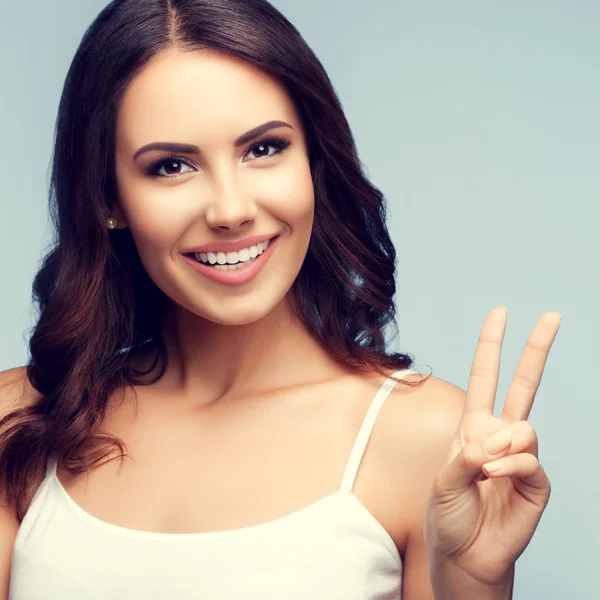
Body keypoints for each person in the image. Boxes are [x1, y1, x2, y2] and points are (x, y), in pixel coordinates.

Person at [0, 1, 561, 598]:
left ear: (314, 161)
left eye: (263, 149)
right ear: (108, 198)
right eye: (170, 166)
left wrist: (475, 579)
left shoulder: (427, 437)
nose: (231, 210)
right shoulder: (21, 420)